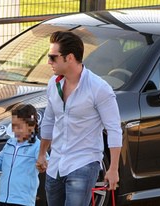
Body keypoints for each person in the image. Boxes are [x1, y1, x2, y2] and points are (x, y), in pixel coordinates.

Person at [36, 31, 123, 206]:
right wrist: (42, 154)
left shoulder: (99, 88)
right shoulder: (53, 84)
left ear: (69, 58)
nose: (48, 62)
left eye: (53, 57)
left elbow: (114, 129)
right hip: (56, 164)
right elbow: (49, 121)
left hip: (84, 163)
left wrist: (113, 169)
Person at [0, 104, 48, 206]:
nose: (15, 130)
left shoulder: (37, 146)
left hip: (23, 201)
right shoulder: (9, 143)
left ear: (32, 125)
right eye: (14, 125)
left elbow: (45, 162)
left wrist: (43, 165)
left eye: (19, 127)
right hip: (3, 199)